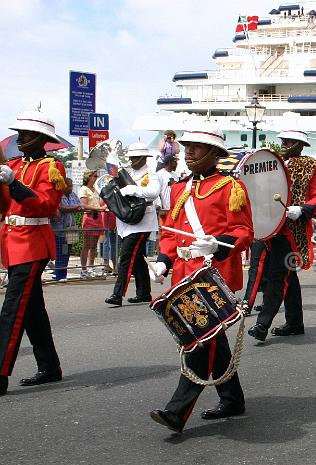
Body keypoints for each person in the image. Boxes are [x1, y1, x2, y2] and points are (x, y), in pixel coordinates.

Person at [149, 123, 254, 432]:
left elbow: (244, 232)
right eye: (187, 146)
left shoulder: (230, 187)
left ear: (214, 153)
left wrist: (219, 243)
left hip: (212, 274)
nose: (189, 151)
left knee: (198, 341)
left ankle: (176, 411)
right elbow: (170, 233)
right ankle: (232, 398)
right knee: (211, 339)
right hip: (184, 274)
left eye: (197, 147)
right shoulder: (180, 188)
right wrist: (163, 261)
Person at [0, 110, 66, 396]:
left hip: (33, 243)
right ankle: (49, 366)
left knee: (12, 310)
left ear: (41, 139)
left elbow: (44, 207)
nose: (19, 138)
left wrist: (14, 183)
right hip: (12, 241)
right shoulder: (12, 163)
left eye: (26, 134)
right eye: (19, 133)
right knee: (31, 310)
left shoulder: (52, 167)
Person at [246, 129, 316, 341]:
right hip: (268, 227)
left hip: (292, 230)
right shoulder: (273, 164)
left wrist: (302, 209)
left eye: (289, 140)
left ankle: (262, 324)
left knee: (277, 275)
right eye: (283, 139)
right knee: (286, 276)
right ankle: (295, 322)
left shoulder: (313, 166)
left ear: (300, 144)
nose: (284, 143)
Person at [104, 143, 161, 307]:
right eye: (131, 158)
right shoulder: (128, 172)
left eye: (136, 158)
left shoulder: (151, 174)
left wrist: (133, 190)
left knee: (126, 256)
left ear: (144, 158)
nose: (133, 161)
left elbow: (153, 192)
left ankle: (117, 294)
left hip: (143, 221)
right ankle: (144, 293)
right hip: (128, 220)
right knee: (137, 259)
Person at [50, 177, 81, 281]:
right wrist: (73, 208)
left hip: (71, 227)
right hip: (60, 229)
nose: (71, 188)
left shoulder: (73, 195)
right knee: (61, 251)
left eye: (72, 185)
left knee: (67, 252)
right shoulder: (58, 195)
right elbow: (60, 207)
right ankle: (59, 274)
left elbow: (79, 205)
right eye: (70, 186)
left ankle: (63, 273)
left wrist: (73, 208)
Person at [78, 169, 105, 278]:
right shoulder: (84, 189)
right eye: (94, 176)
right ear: (88, 177)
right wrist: (99, 208)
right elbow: (84, 205)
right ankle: (83, 268)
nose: (96, 177)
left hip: (97, 217)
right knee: (87, 244)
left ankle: (91, 267)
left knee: (94, 245)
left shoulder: (95, 189)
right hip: (90, 217)